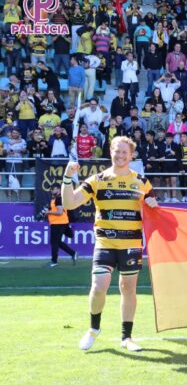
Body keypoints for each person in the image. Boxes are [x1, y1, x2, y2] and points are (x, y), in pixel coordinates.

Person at [62, 136, 158, 352]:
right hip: (105, 243)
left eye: (125, 152)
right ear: (110, 152)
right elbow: (70, 203)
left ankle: (127, 337)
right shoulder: (98, 179)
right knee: (99, 286)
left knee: (128, 288)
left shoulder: (142, 182)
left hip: (131, 244)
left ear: (131, 155)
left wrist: (152, 203)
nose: (120, 155)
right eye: (117, 151)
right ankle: (93, 330)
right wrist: (67, 178)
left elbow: (154, 211)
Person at [46, 184, 78, 267]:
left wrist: (48, 212)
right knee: (57, 242)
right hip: (60, 223)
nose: (51, 191)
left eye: (53, 189)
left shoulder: (59, 199)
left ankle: (54, 261)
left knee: (54, 242)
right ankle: (73, 253)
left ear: (59, 189)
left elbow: (60, 212)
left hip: (58, 223)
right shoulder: (58, 199)